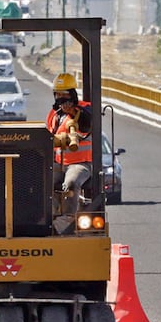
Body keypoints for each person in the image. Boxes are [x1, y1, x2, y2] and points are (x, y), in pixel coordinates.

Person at [46, 72, 92, 234]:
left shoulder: (85, 109)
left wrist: (73, 111)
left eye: (64, 95)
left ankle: (66, 219)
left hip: (81, 164)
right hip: (59, 163)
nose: (61, 99)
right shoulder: (54, 114)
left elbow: (86, 123)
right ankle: (46, 218)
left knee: (71, 183)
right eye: (58, 94)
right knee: (41, 180)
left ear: (72, 94)